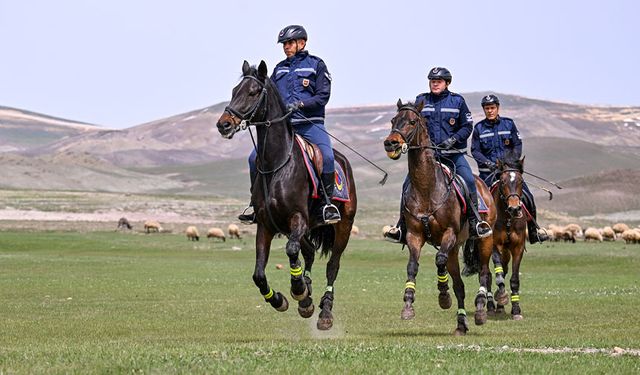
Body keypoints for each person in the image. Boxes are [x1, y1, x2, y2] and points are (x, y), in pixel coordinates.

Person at [238, 24, 341, 225]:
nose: (286, 47)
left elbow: (323, 96)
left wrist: (302, 103)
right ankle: (255, 203)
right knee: (253, 158)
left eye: (290, 43)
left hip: (310, 124)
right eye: (284, 44)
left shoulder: (316, 65)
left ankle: (326, 205)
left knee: (328, 158)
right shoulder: (279, 69)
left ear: (302, 43)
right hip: (284, 128)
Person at [385, 67, 492, 243]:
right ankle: (401, 227)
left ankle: (475, 223)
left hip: (453, 155)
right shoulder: (421, 100)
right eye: (432, 81)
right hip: (428, 157)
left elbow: (467, 126)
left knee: (469, 180)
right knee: (407, 185)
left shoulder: (457, 101)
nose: (435, 83)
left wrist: (453, 139)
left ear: (447, 83)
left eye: (439, 81)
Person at [471, 94, 548, 244]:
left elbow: (517, 145)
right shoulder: (479, 128)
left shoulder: (509, 124)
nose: (490, 111)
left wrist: (509, 163)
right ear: (484, 110)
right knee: (478, 204)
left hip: (509, 173)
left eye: (492, 108)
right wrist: (487, 163)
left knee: (528, 197)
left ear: (497, 108)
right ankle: (475, 234)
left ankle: (533, 231)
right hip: (489, 174)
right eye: (487, 108)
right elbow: (475, 151)